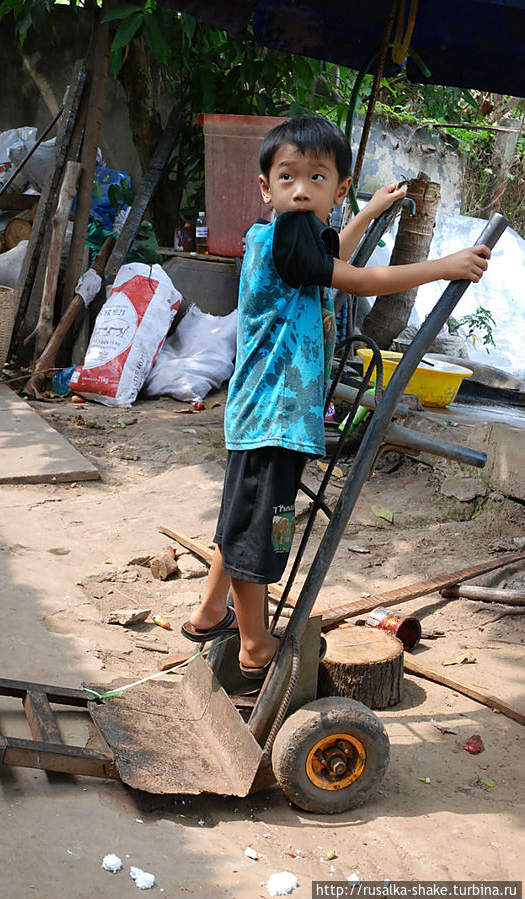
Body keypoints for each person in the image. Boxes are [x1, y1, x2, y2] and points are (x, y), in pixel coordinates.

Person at [181, 115, 490, 678]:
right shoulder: (291, 231)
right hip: (275, 414)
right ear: (264, 185)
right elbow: (356, 280)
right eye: (288, 177)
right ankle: (253, 647)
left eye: (317, 177)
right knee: (259, 532)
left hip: (258, 412)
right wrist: (443, 266)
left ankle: (209, 613)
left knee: (240, 516)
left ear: (339, 188)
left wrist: (370, 213)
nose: (301, 189)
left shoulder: (273, 234)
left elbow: (327, 266)